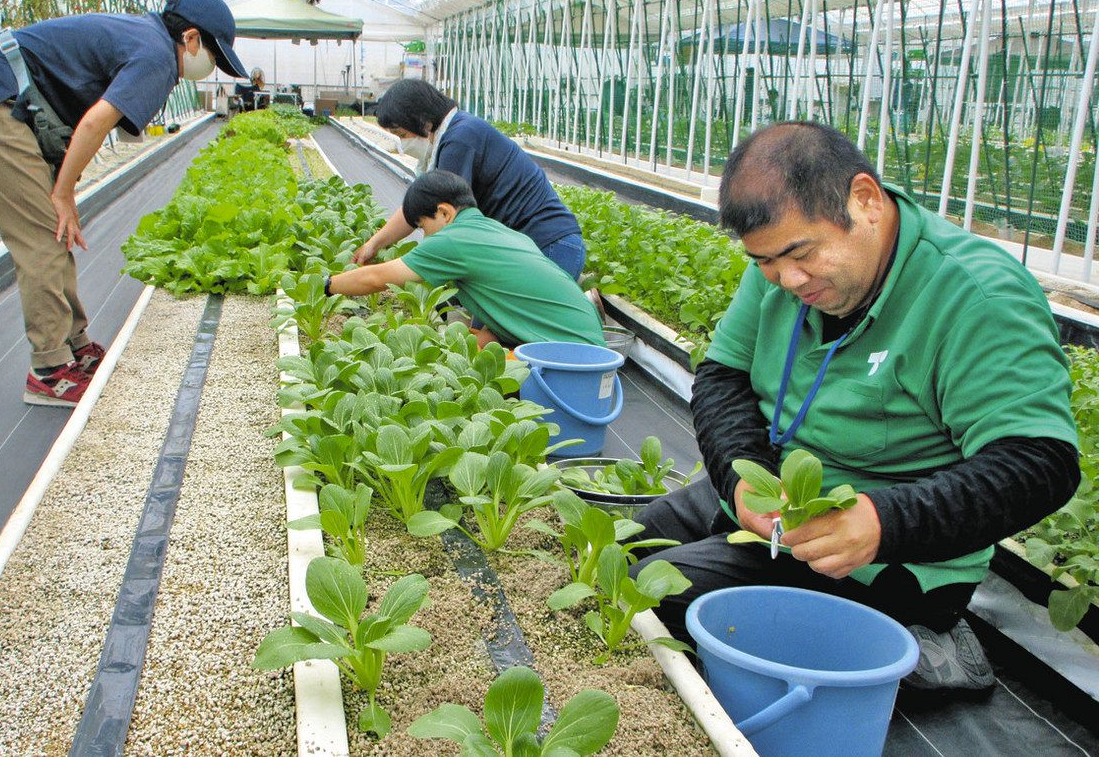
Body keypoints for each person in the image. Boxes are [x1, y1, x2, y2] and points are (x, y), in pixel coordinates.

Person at [630, 121, 1079, 693]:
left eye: (800, 254)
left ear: (864, 200)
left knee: (653, 596)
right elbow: (723, 376)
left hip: (883, 554)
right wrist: (741, 474)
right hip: (780, 502)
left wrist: (881, 522)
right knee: (612, 546)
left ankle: (928, 649)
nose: (787, 279)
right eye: (765, 261)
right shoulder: (781, 270)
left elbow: (1039, 463)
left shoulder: (974, 296)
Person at [0, 0, 247, 406]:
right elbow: (94, 124)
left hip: (10, 95)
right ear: (192, 39)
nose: (211, 67)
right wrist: (65, 191)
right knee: (40, 234)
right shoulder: (158, 55)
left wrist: (64, 188)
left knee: (54, 229)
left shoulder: (148, 39)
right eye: (214, 56)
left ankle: (74, 344)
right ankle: (50, 372)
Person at [329, 170, 604, 349]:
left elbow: (376, 278)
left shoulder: (453, 240)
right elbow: (506, 301)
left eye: (422, 226)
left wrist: (328, 284)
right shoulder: (497, 230)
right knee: (472, 344)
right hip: (590, 344)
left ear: (445, 213)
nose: (425, 236)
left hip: (571, 356)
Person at [352, 79, 587, 282]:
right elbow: (419, 207)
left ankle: (579, 304)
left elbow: (441, 218)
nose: (402, 144)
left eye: (402, 135)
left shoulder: (460, 140)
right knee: (479, 313)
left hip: (551, 247)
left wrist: (388, 273)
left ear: (423, 121)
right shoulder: (454, 134)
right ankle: (580, 300)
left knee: (500, 325)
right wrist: (375, 243)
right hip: (524, 251)